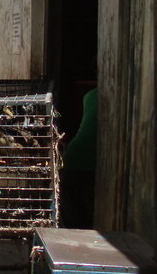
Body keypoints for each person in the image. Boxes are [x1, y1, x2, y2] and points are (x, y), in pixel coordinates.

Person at [60, 87, 98, 229]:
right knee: (90, 221)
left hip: (72, 160)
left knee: (75, 221)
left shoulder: (89, 95)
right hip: (92, 165)